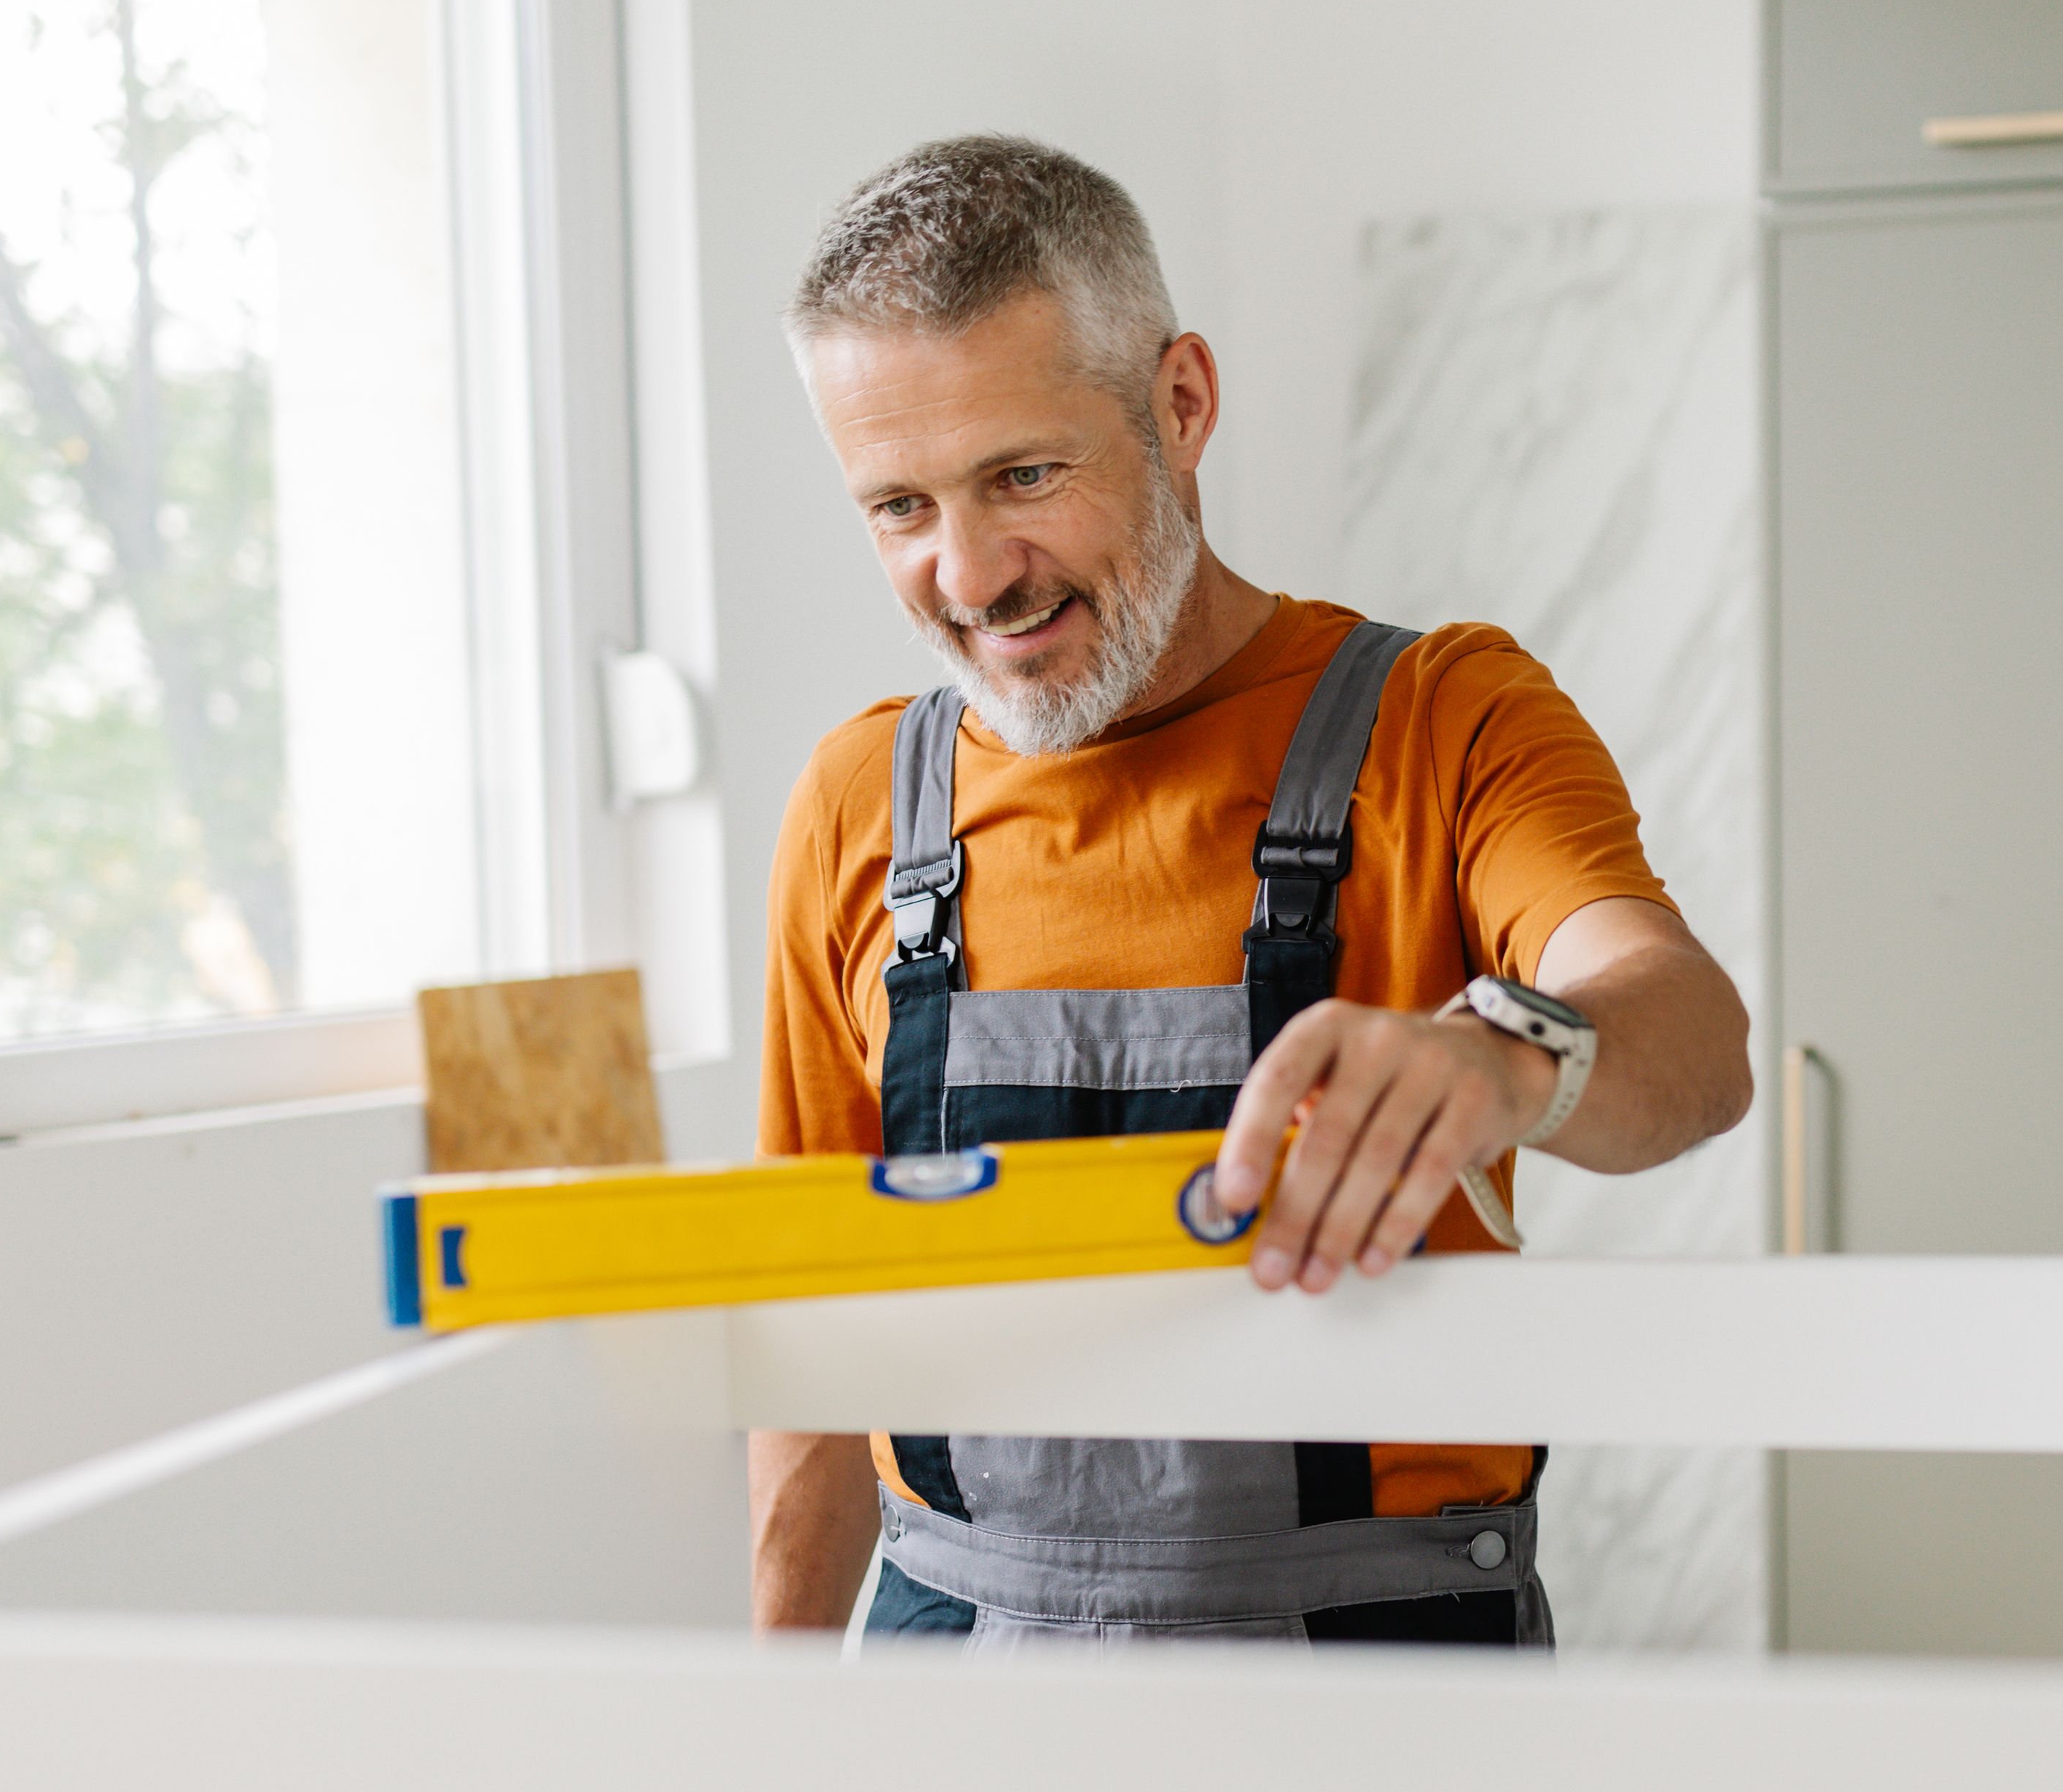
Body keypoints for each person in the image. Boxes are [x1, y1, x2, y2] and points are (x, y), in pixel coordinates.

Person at [746, 136, 1752, 1644]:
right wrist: (774, 1732)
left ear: (1181, 403)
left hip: (1375, 1678)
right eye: (897, 508)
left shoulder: (1442, 721)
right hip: (951, 1660)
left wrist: (1497, 1062)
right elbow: (812, 1323)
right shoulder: (857, 807)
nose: (968, 575)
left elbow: (1687, 1039)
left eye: (1022, 475)